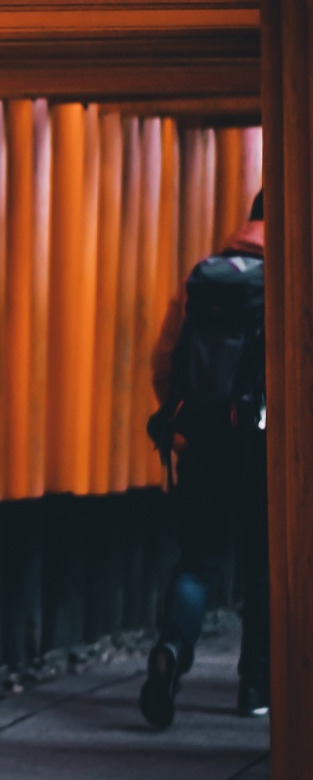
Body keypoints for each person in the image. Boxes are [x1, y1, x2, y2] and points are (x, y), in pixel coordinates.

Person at [139, 189, 269, 728]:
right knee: (265, 571)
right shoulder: (286, 274)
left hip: (205, 444)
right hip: (265, 451)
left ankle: (171, 648)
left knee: (197, 561)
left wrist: (188, 424)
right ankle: (255, 687)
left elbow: (165, 357)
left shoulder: (205, 274)